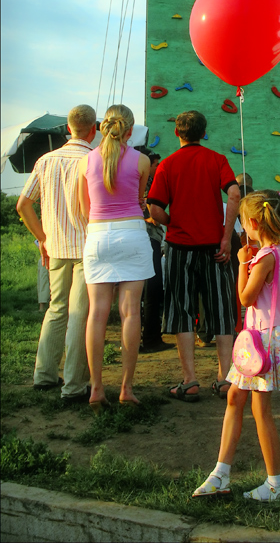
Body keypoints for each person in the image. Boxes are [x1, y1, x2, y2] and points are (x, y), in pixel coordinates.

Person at [192, 190, 280, 502]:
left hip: (262, 343)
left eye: (244, 222)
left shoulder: (265, 257)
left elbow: (245, 298)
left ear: (253, 222)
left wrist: (242, 263)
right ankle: (222, 473)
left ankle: (274, 483)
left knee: (259, 409)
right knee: (236, 399)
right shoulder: (275, 251)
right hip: (261, 340)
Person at [147, 110, 241, 401]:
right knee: (223, 311)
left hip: (181, 249)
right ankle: (225, 379)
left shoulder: (167, 165)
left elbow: (154, 208)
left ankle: (190, 380)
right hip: (215, 248)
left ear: (177, 133)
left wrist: (173, 222)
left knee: (183, 311)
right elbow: (235, 194)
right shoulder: (217, 160)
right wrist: (226, 237)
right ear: (204, 132)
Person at [17, 104, 97, 402]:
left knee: (56, 309)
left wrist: (43, 239)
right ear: (93, 130)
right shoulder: (93, 160)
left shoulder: (46, 161)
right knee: (79, 314)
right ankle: (75, 385)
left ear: (67, 128)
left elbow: (24, 205)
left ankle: (44, 374)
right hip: (86, 247)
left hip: (56, 246)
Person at [78, 104, 154, 412]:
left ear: (100, 128)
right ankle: (126, 387)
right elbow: (139, 199)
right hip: (132, 234)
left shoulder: (85, 163)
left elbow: (84, 209)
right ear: (130, 131)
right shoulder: (142, 161)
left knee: (97, 313)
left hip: (97, 235)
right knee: (130, 313)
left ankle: (96, 388)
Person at [139, 150, 172, 352]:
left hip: (151, 237)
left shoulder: (148, 181)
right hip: (147, 237)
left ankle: (149, 336)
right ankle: (150, 338)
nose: (157, 167)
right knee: (152, 288)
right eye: (155, 164)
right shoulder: (144, 183)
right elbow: (148, 209)